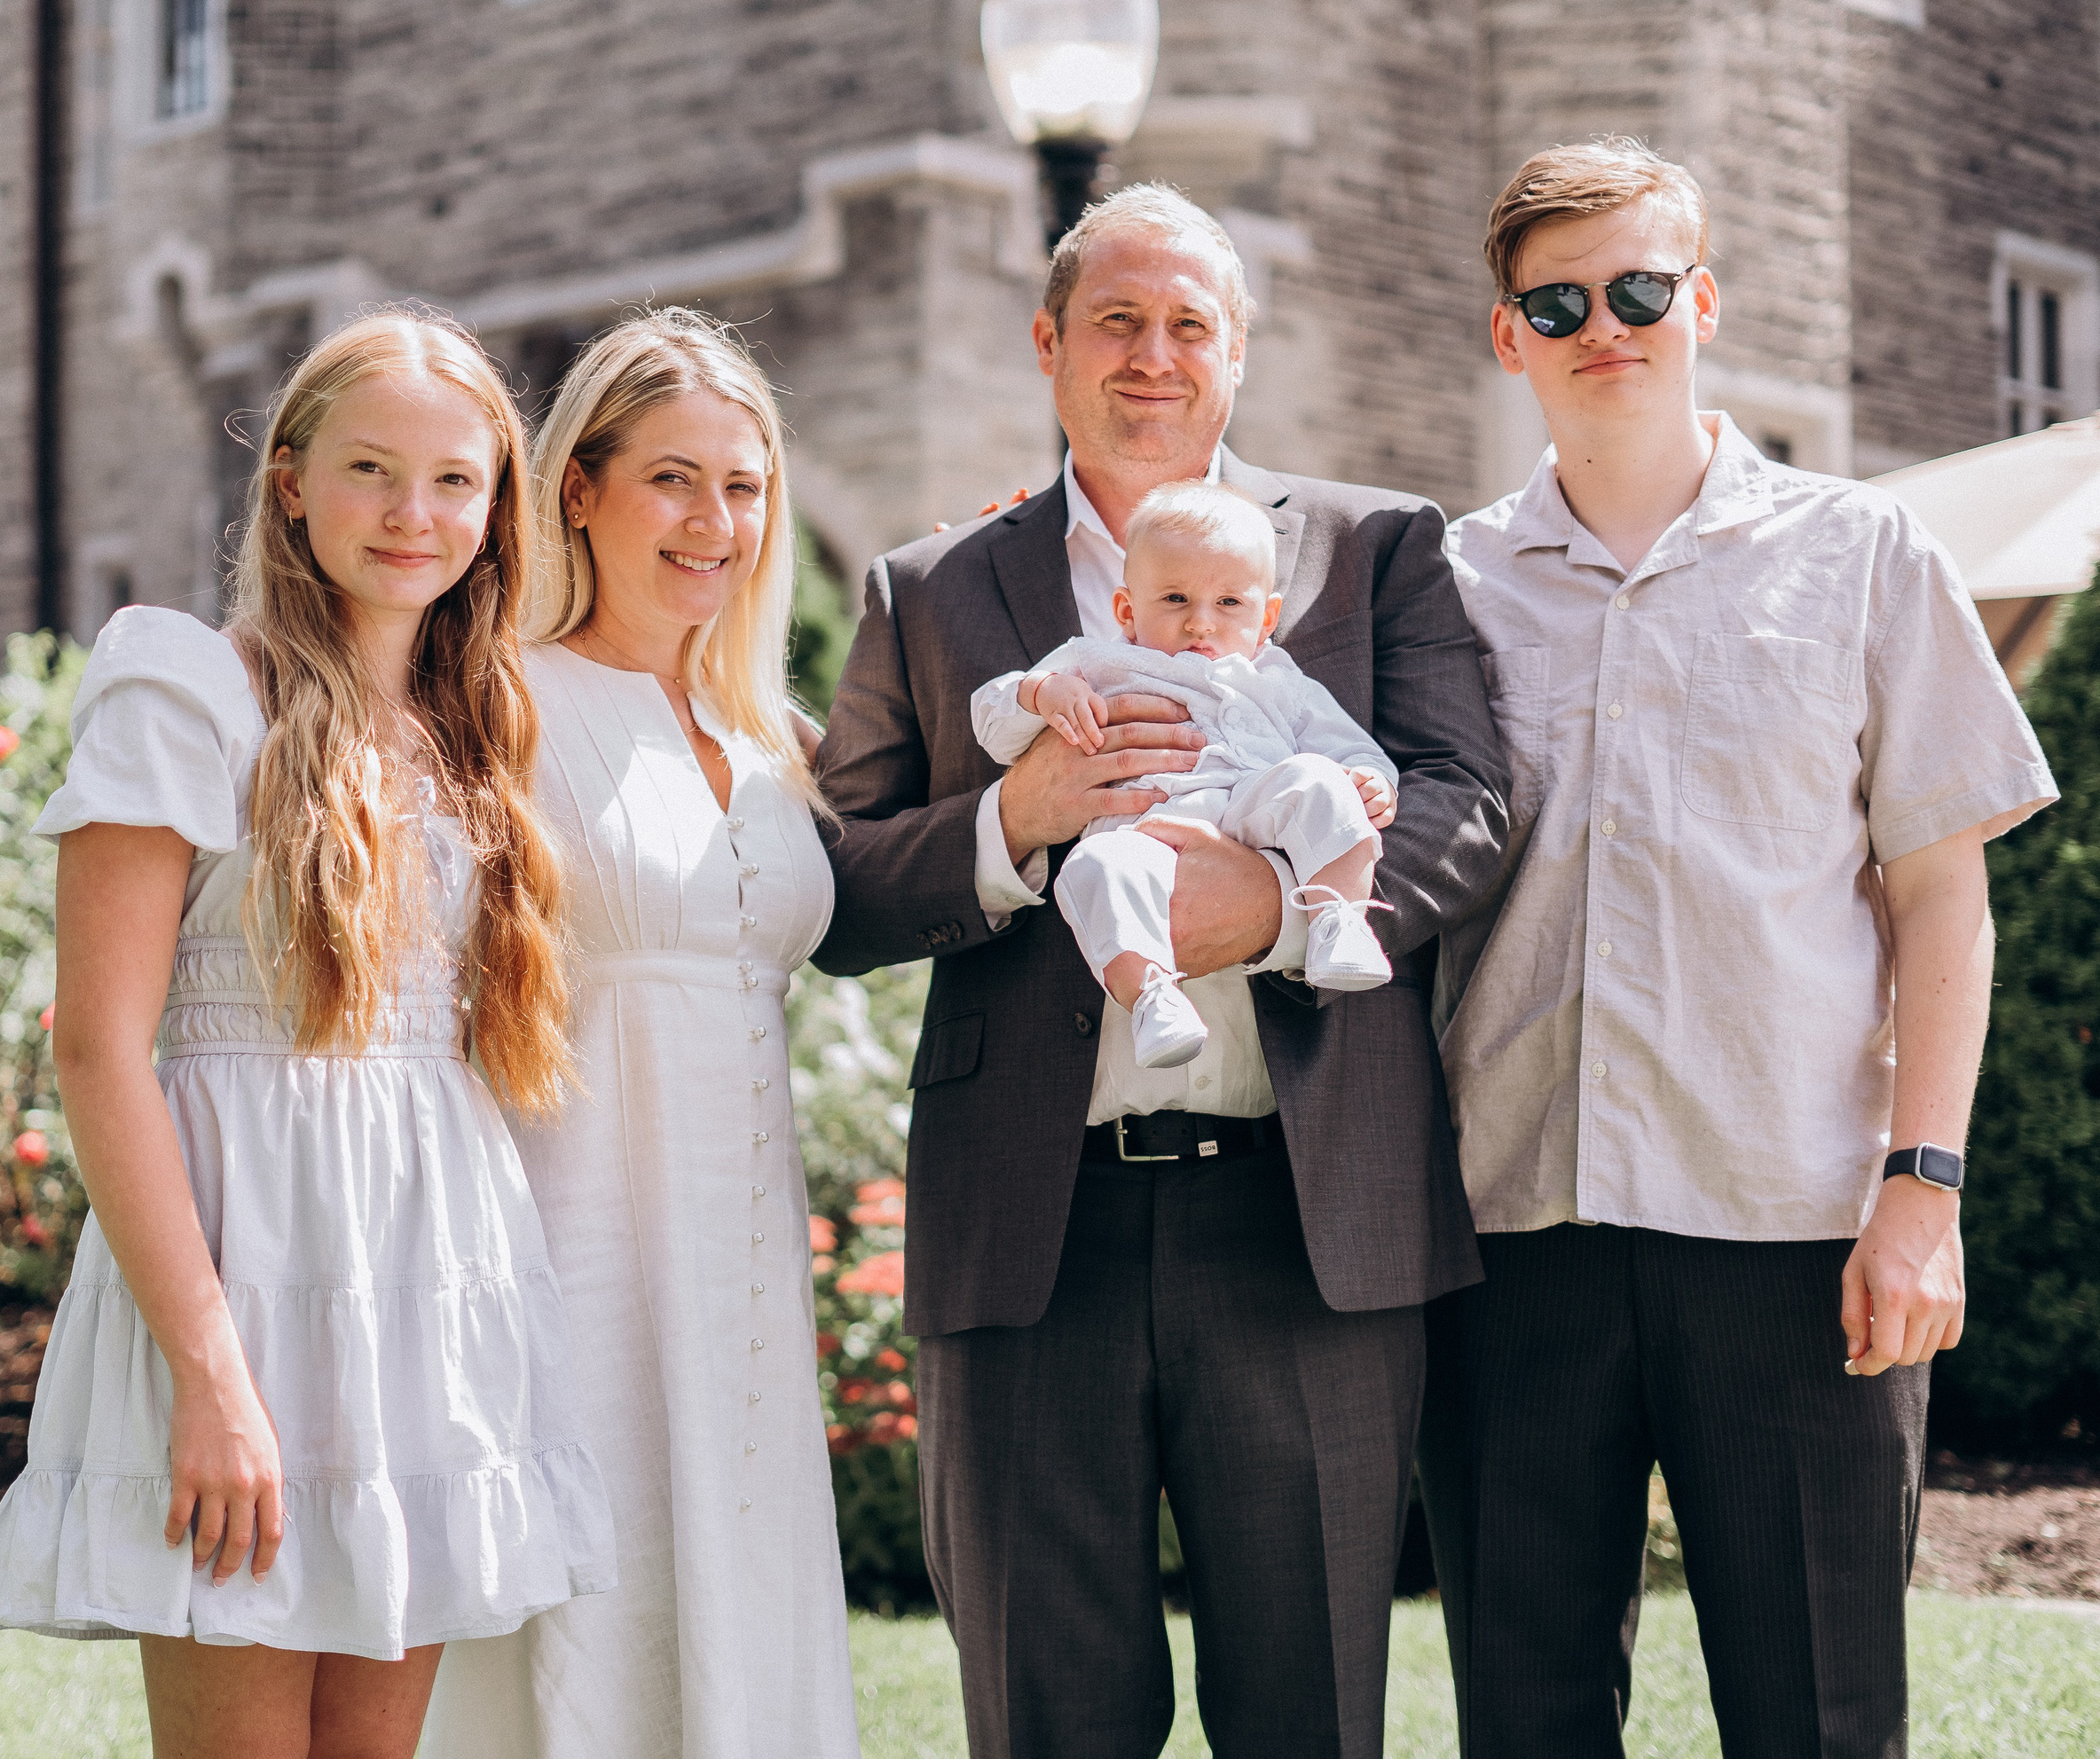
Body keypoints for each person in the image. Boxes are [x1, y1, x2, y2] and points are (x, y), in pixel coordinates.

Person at [814, 184, 1512, 1758]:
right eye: (1116, 320)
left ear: (1238, 350)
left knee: (1310, 1714)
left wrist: (1268, 904)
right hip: (1026, 1227)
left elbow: (1470, 804)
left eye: (1190, 322)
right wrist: (1012, 822)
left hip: (1306, 1212)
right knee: (1052, 1716)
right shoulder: (931, 590)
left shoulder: (1372, 547)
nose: (1153, 354)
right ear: (1050, 342)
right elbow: (842, 884)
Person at [1421, 137, 2059, 1758]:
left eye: (1640, 287)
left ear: (1701, 299)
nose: (1603, 325)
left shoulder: (1865, 557)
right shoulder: (1442, 589)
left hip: (1794, 1232)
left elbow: (1940, 900)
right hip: (1513, 1229)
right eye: (1557, 301)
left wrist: (1924, 1189)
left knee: (1822, 1719)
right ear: (1510, 336)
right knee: (1525, 1721)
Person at [0, 310, 616, 1757]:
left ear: (498, 509)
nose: (412, 513)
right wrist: (210, 1375)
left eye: (455, 480)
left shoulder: (481, 733)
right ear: (292, 482)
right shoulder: (186, 683)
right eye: (371, 467)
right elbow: (98, 1049)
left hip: (424, 1290)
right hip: (240, 1279)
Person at [419, 308, 859, 1759]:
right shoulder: (499, 706)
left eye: (742, 485)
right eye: (673, 477)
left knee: (738, 1599)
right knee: (579, 1623)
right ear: (579, 489)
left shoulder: (771, 741)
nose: (713, 520)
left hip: (738, 1275)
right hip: (563, 1248)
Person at [971, 477, 1401, 1071]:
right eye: (1175, 599)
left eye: (1229, 603)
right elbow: (990, 719)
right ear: (1127, 608)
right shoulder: (1098, 661)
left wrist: (1370, 779)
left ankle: (1338, 918)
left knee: (1319, 778)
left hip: (1253, 811)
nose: (1201, 623)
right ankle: (1152, 998)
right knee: (1096, 868)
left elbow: (1353, 749)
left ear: (1266, 616)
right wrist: (1041, 692)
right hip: (1144, 830)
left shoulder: (1279, 680)